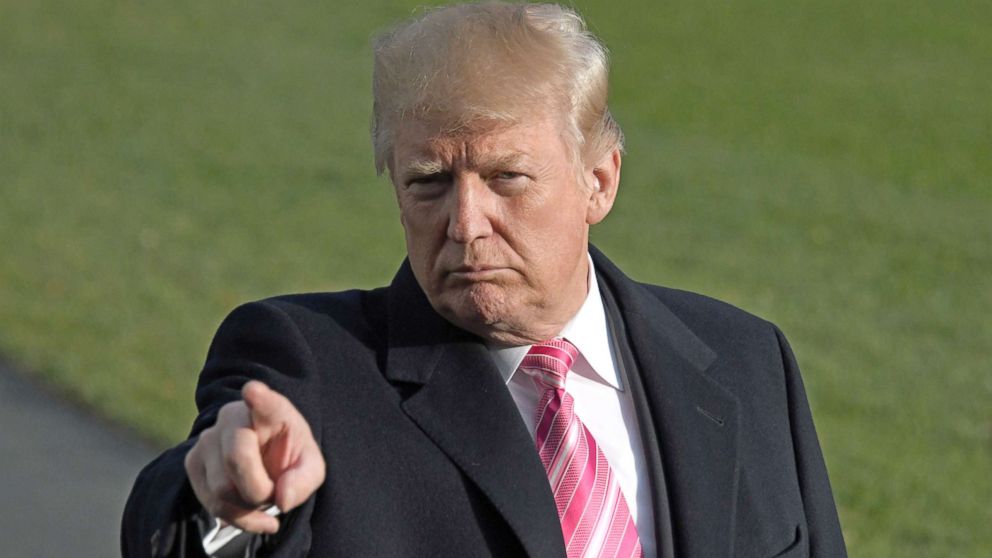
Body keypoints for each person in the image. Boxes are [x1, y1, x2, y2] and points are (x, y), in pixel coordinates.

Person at [122, 3, 846, 557]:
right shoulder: (307, 365)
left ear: (599, 181)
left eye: (508, 178)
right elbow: (178, 529)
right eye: (429, 182)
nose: (466, 223)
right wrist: (217, 496)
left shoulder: (748, 360)